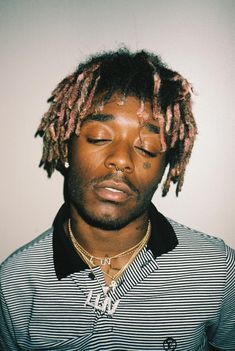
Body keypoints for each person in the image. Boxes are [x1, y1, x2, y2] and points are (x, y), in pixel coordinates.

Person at [0, 49, 234, 351]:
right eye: (99, 136)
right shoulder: (16, 283)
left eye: (148, 147)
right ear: (64, 146)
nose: (121, 160)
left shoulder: (216, 269)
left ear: (167, 165)